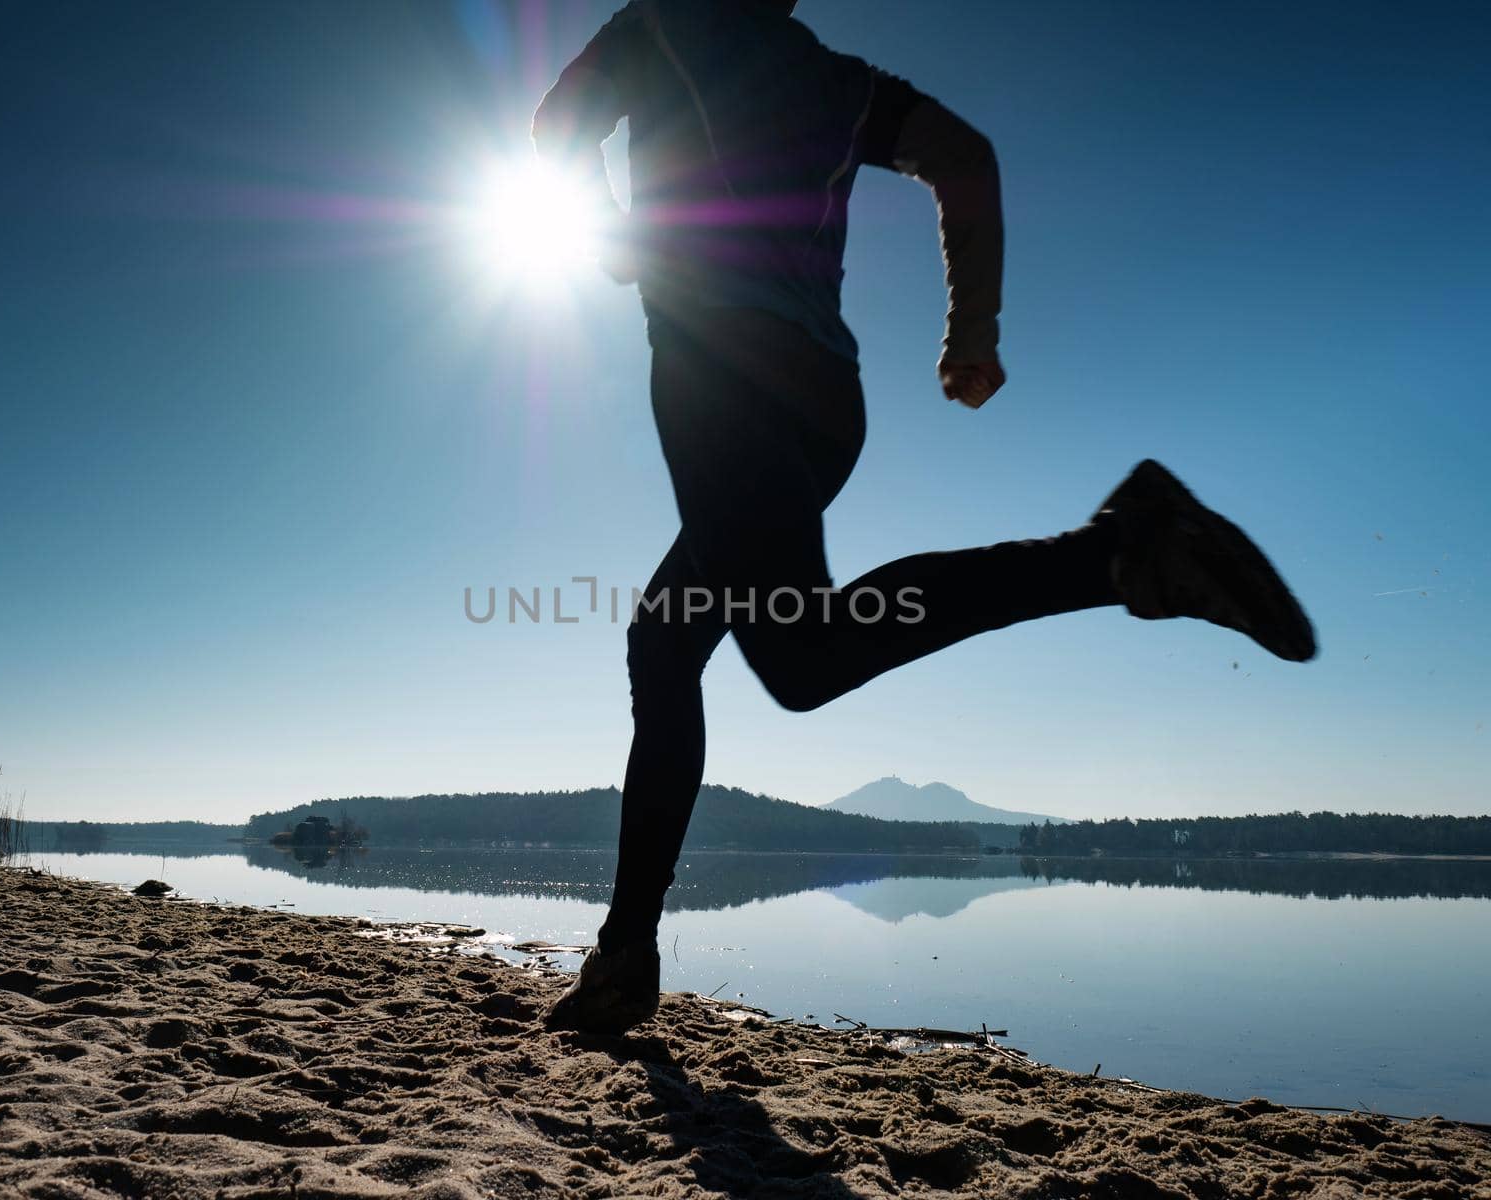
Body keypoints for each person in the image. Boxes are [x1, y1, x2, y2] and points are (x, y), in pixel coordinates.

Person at [531, 0, 1315, 1035]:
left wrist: (615, 231)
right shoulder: (841, 81)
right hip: (822, 400)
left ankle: (1121, 554)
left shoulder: (662, 24)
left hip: (722, 380)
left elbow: (555, 130)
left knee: (802, 663)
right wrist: (971, 329)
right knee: (665, 645)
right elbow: (967, 159)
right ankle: (624, 956)